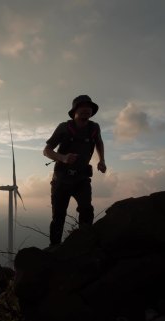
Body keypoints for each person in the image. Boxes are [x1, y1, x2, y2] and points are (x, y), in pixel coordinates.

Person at [43, 95, 106, 246]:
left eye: (89, 107)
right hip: (61, 178)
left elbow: (99, 142)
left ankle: (85, 244)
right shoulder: (64, 128)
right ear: (74, 111)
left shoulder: (94, 128)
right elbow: (47, 151)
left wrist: (102, 160)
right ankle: (55, 248)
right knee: (58, 216)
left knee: (86, 210)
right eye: (81, 106)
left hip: (82, 178)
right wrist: (63, 158)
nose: (86, 109)